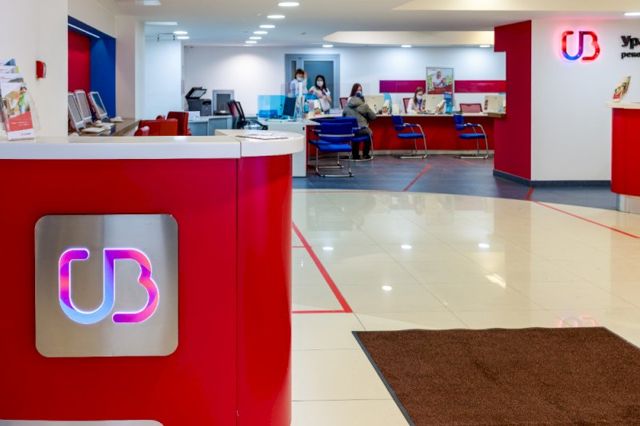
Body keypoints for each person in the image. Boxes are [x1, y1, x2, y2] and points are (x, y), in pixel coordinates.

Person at [343, 83, 376, 160]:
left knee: (355, 131)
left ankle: (355, 155)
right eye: (358, 90)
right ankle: (365, 154)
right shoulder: (364, 105)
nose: (359, 92)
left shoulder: (347, 105)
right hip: (361, 129)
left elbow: (343, 116)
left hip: (350, 130)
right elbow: (373, 117)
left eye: (360, 90)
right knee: (369, 132)